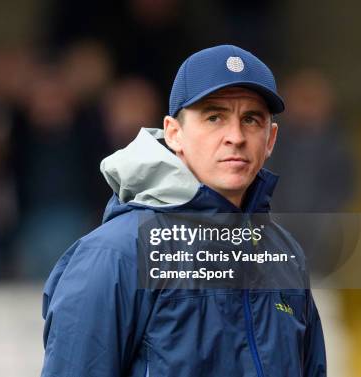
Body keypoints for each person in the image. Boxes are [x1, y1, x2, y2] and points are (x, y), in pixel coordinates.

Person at [40, 45, 327, 377]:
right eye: (214, 117)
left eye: (251, 119)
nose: (235, 136)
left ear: (270, 139)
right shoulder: (115, 253)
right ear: (174, 133)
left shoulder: (285, 255)